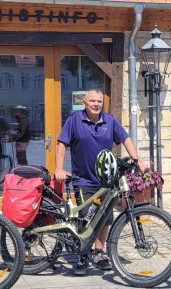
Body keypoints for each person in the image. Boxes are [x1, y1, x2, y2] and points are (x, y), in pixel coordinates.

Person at [54, 89, 139, 275]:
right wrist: (59, 168)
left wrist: (135, 159)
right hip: (83, 179)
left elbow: (126, 139)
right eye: (92, 101)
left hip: (107, 180)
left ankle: (98, 253)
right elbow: (61, 144)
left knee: (105, 218)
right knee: (87, 216)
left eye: (99, 101)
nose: (96, 104)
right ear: (84, 102)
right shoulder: (74, 120)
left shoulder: (110, 121)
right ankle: (83, 255)